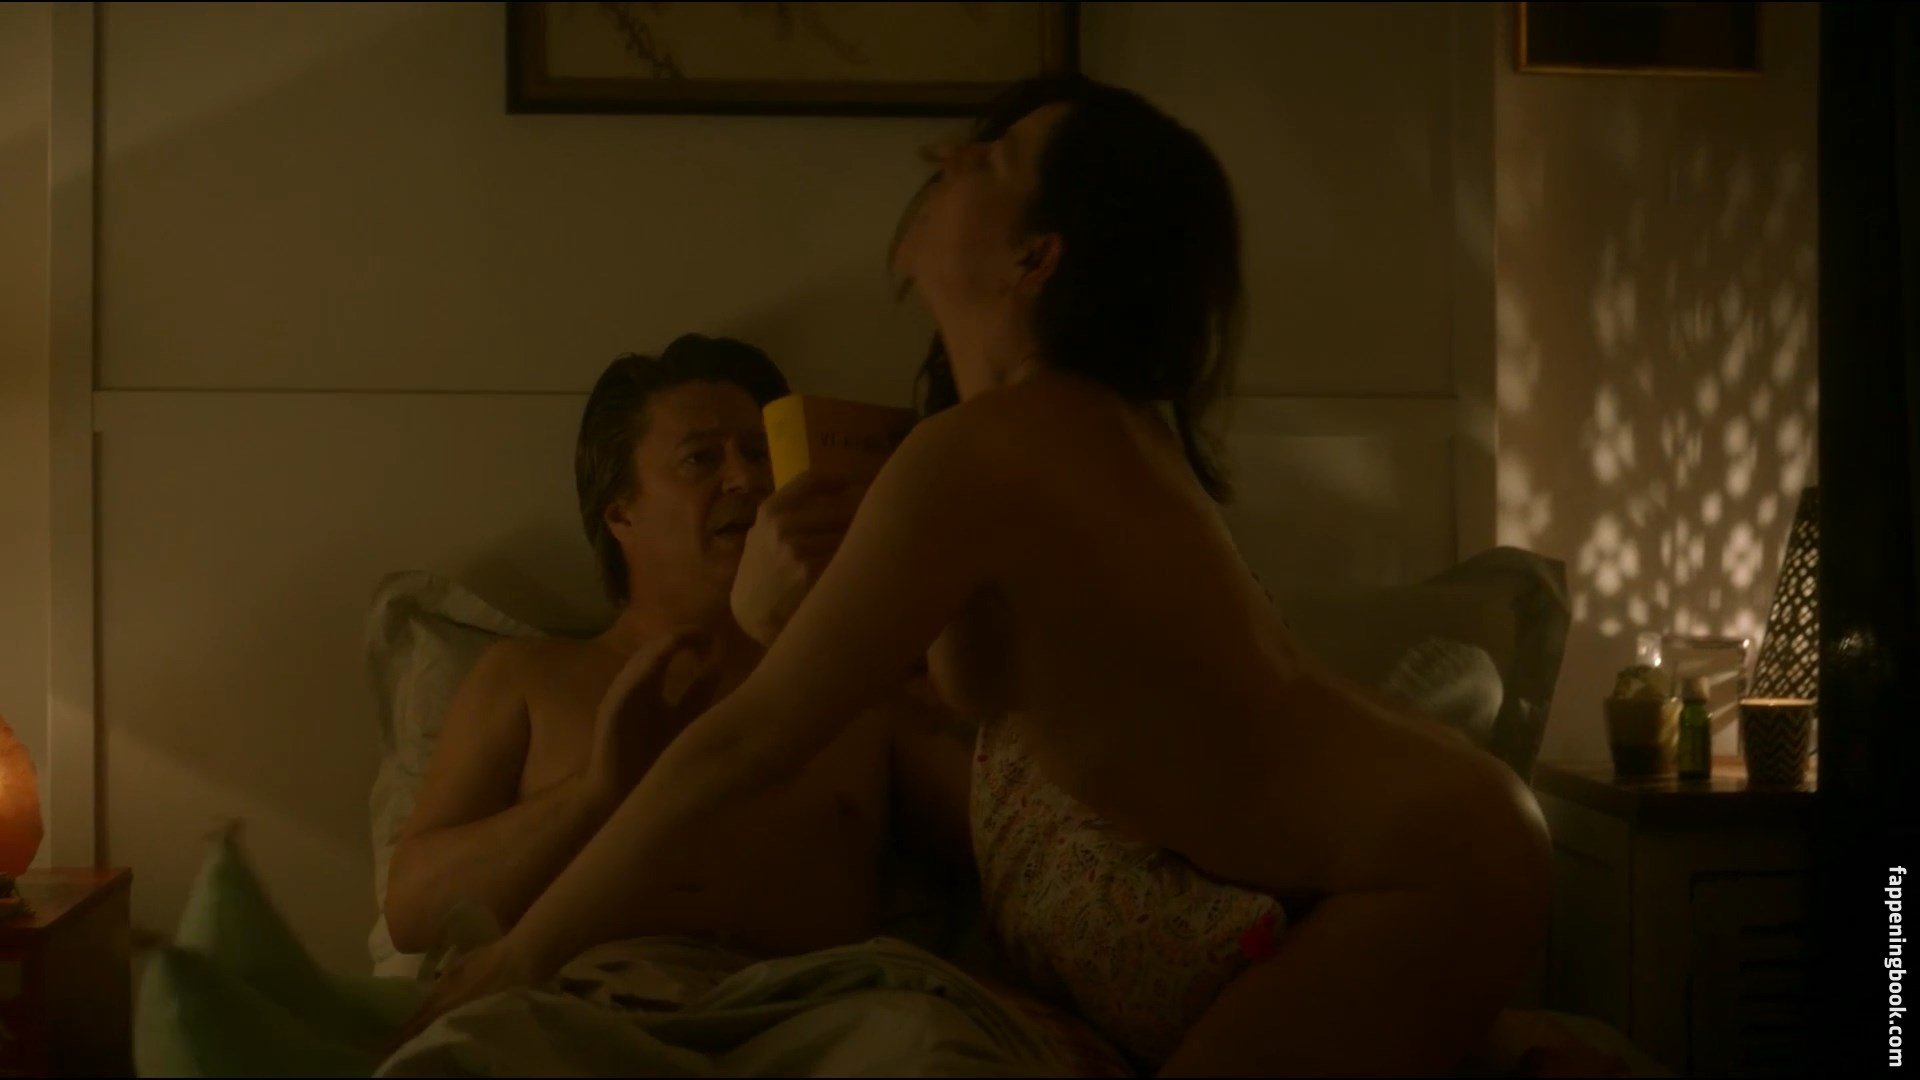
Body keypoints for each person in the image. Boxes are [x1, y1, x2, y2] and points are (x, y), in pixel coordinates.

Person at [400, 76, 1554, 1076]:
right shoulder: (1035, 438)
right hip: (1396, 858)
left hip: (1419, 867)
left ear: (1035, 257)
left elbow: (748, 742)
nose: (949, 156)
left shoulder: (1004, 446)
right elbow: (999, 720)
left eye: (993, 160)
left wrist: (520, 956)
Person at [383, 334, 971, 961]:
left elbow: (1009, 834)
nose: (747, 479)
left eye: (760, 453)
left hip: (823, 1004)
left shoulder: (854, 685)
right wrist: (594, 794)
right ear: (621, 515)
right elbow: (412, 912)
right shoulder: (527, 678)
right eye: (700, 459)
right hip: (595, 1001)